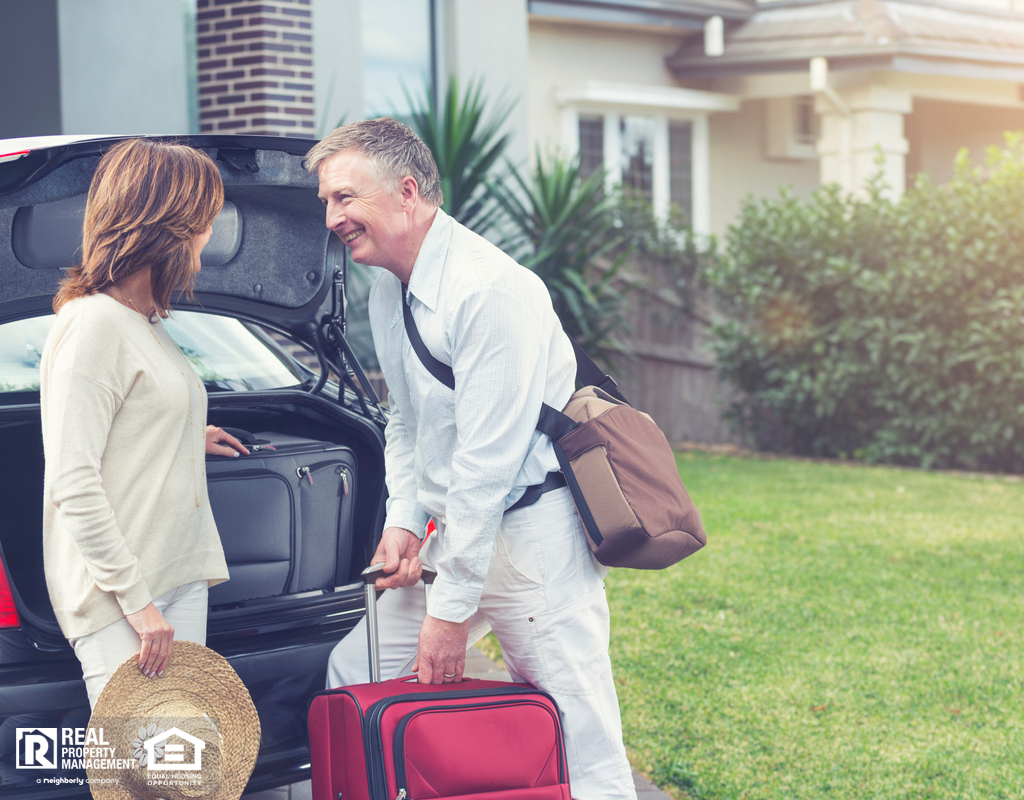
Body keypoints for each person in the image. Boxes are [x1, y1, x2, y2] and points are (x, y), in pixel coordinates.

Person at [307, 118, 637, 800]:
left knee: (582, 734)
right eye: (326, 202)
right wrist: (403, 521)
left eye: (343, 197)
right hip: (453, 532)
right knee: (354, 667)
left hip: (529, 540)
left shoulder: (487, 290)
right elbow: (405, 417)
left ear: (406, 192)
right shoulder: (388, 289)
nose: (331, 216)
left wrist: (450, 613)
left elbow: (490, 462)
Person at [40, 138, 249, 710]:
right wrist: (138, 605)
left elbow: (131, 420)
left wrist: (183, 437)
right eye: (204, 220)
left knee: (188, 777)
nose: (210, 234)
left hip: (177, 580)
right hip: (124, 604)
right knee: (140, 783)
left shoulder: (144, 322)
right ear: (170, 227)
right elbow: (74, 483)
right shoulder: (92, 326)